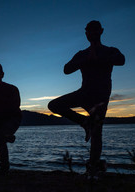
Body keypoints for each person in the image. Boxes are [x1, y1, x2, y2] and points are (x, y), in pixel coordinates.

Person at [48, 20, 125, 177]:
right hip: (83, 93)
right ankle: (85, 122)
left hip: (100, 98)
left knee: (97, 133)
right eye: (90, 31)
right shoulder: (81, 54)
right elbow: (66, 69)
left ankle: (93, 168)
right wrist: (85, 60)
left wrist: (99, 59)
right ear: (86, 33)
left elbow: (121, 60)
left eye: (96, 30)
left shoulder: (110, 50)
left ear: (101, 31)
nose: (93, 33)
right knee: (54, 105)